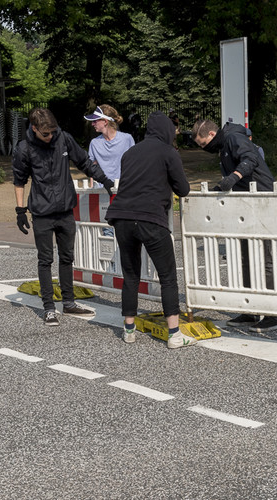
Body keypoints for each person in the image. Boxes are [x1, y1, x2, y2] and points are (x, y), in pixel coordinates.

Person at [13, 107, 115, 326]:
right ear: (34, 129)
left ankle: (68, 302)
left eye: (52, 132)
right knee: (45, 259)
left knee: (67, 257)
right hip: (42, 212)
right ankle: (49, 308)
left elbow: (85, 163)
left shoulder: (63, 139)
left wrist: (105, 181)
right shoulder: (25, 148)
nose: (49, 137)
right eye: (45, 134)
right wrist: (20, 210)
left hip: (65, 210)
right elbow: (19, 180)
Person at [105, 111, 196, 348]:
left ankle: (129, 330)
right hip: (150, 218)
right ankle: (174, 334)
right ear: (166, 130)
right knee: (167, 276)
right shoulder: (168, 152)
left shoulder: (130, 153)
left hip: (122, 217)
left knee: (131, 275)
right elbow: (183, 189)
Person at [191, 119, 277, 333]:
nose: (204, 149)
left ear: (212, 134)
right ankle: (251, 310)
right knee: (245, 256)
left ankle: (272, 314)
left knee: (264, 258)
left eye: (203, 144)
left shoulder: (233, 138)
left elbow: (250, 159)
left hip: (260, 199)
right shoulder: (224, 145)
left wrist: (233, 178)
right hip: (244, 202)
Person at [84, 104, 135, 184]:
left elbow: (134, 164)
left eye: (95, 121)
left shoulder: (127, 139)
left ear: (105, 121)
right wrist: (92, 188)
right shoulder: (94, 143)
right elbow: (92, 168)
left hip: (123, 188)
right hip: (101, 191)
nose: (92, 124)